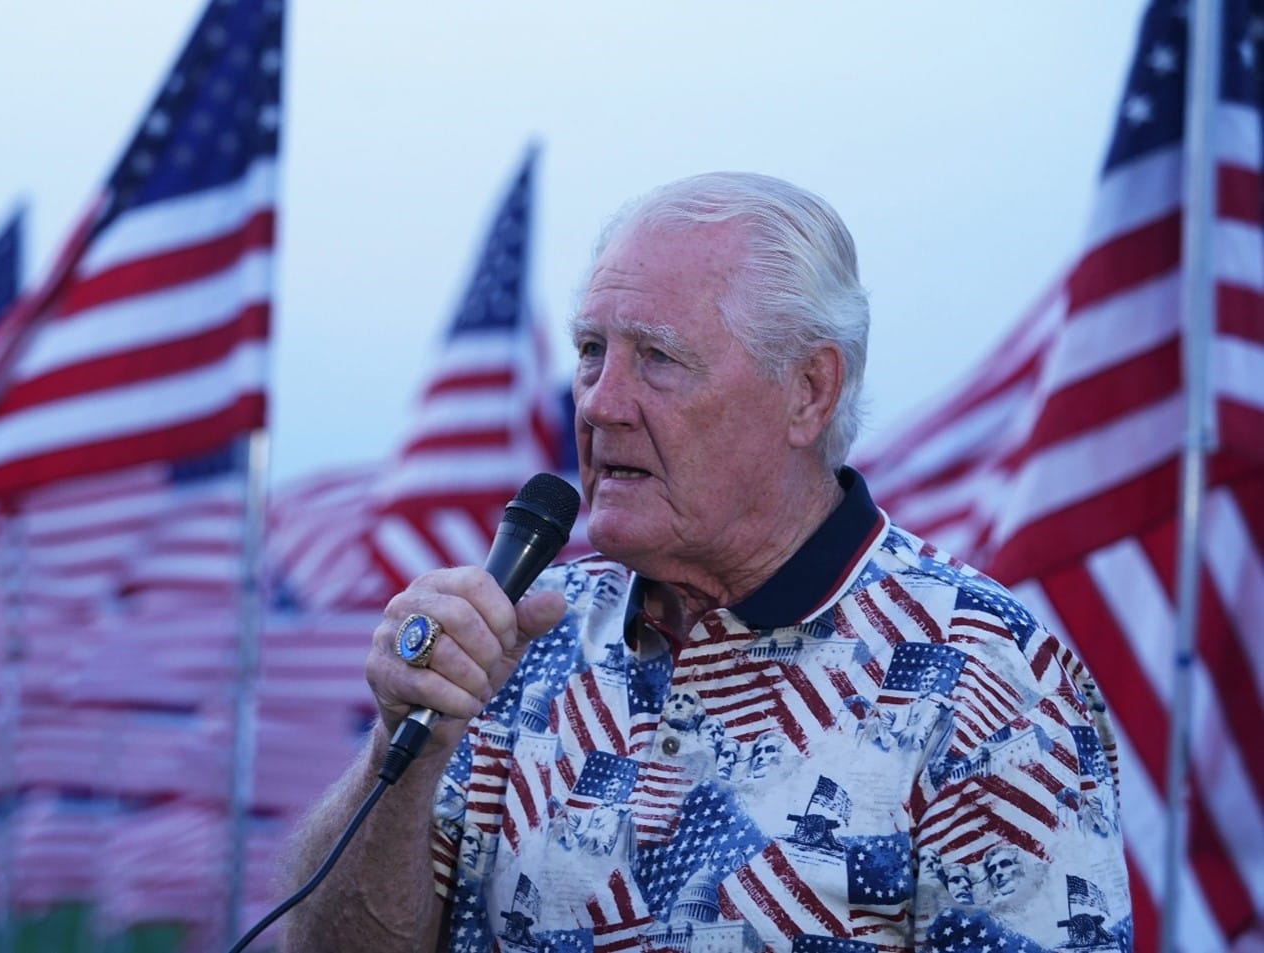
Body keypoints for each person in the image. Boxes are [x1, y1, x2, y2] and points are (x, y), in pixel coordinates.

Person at [280, 172, 1131, 951]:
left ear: (809, 391)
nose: (600, 402)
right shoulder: (522, 636)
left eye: (657, 357)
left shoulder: (989, 682)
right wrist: (405, 744)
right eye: (589, 351)